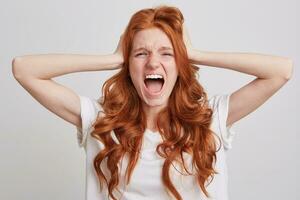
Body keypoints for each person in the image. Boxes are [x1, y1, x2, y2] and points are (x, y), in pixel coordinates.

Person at [12, 5, 293, 200]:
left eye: (166, 53)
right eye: (140, 54)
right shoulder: (100, 122)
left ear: (181, 64)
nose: (153, 63)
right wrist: (111, 59)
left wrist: (194, 52)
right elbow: (24, 69)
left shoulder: (211, 119)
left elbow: (281, 70)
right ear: (128, 65)